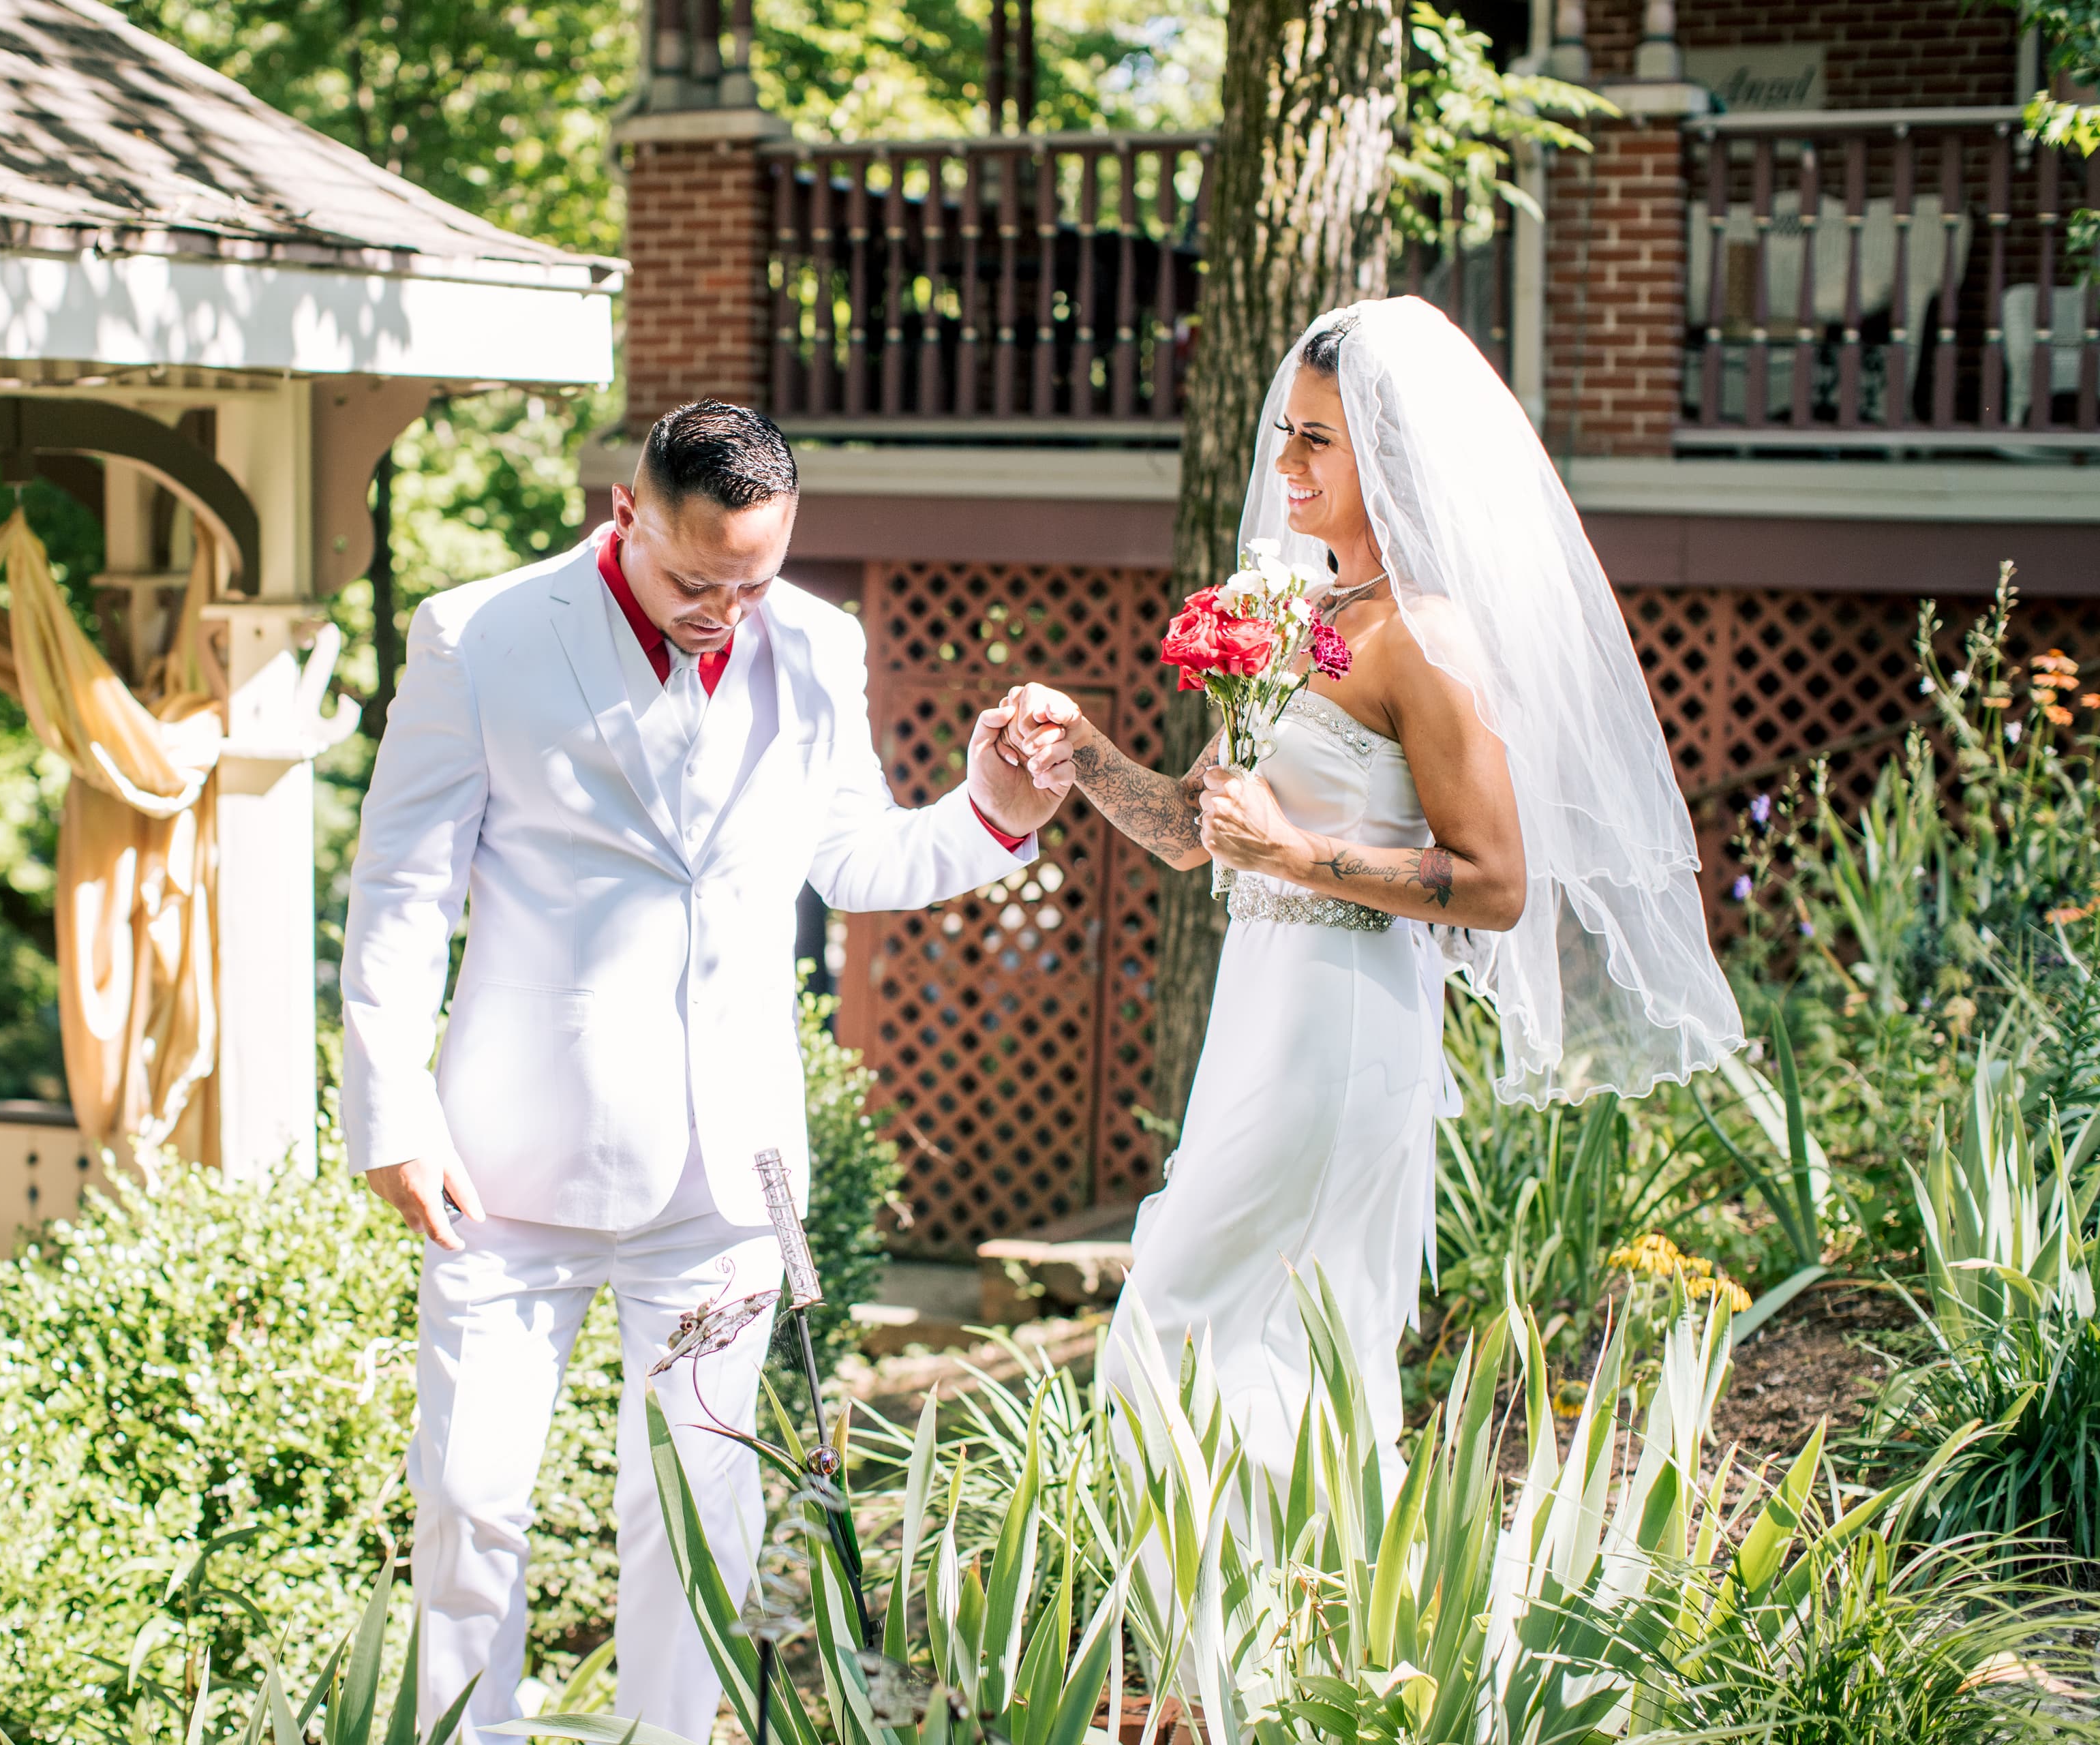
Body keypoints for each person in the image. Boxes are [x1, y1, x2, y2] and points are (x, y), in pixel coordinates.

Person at [339, 400, 1069, 1742]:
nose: (726, 607)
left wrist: (994, 816)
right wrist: (388, 1107)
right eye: (697, 577)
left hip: (726, 1171)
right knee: (472, 1501)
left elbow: (850, 858)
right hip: (505, 1162)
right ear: (627, 513)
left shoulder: (818, 643)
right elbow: (400, 884)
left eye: (757, 575)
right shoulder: (478, 634)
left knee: (701, 1513)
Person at [1008, 297, 1740, 1484]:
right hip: (1260, 1010)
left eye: (1317, 440)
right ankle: (1293, 1646)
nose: (1283, 462)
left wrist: (1296, 854)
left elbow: (1496, 884)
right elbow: (1200, 836)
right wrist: (1082, 748)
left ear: (1387, 458)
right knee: (1259, 1350)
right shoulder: (1292, 613)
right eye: (1285, 432)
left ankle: (1269, 1646)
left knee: (1176, 1332)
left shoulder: (1426, 639)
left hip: (1344, 1020)